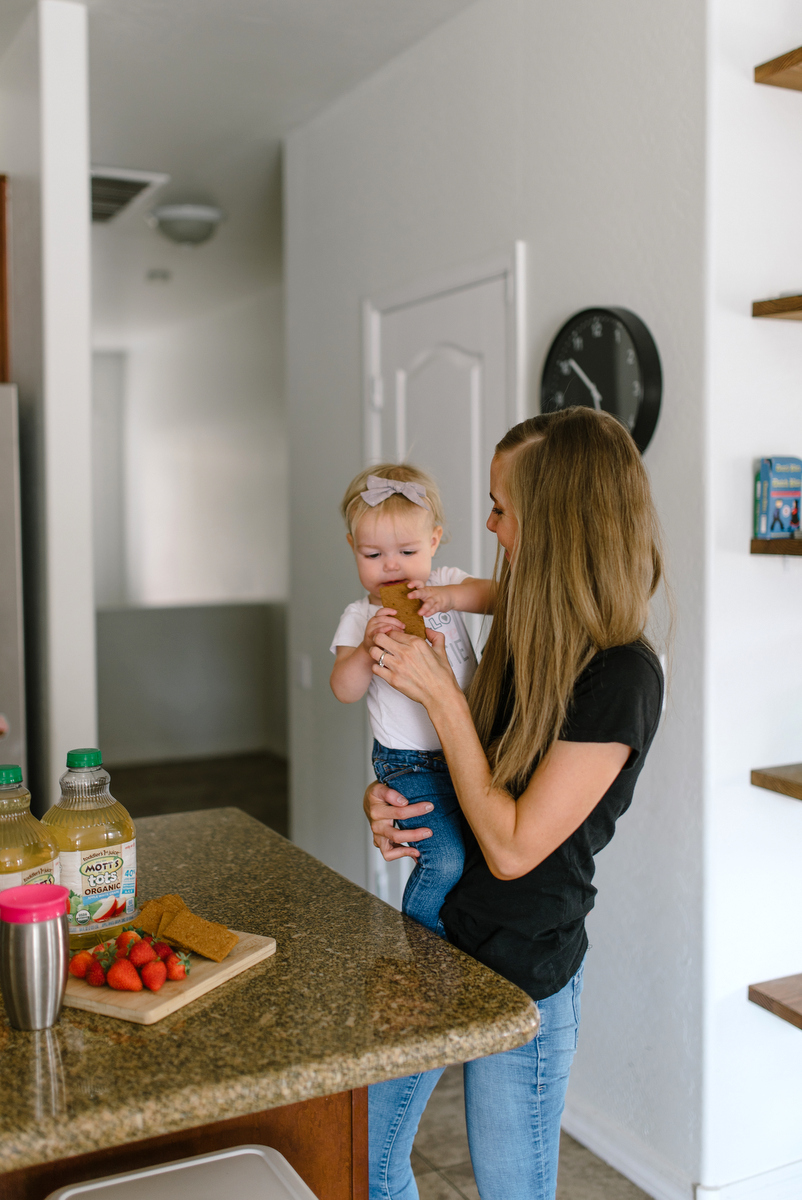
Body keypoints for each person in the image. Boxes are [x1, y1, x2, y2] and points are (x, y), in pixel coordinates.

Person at [363, 408, 666, 1200]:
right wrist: (394, 798)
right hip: (441, 938)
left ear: (559, 522)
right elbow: (468, 783)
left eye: (503, 507)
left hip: (524, 974)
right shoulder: (524, 626)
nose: (490, 524)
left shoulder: (622, 676)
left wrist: (443, 702)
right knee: (366, 1160)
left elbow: (512, 846)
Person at [330, 464, 493, 934]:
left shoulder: (445, 582)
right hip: (408, 765)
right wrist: (365, 649)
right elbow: (344, 689)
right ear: (352, 549)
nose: (392, 565)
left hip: (471, 750)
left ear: (435, 541)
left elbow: (503, 596)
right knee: (443, 862)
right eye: (373, 553)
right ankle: (421, 943)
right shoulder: (359, 614)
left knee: (476, 859)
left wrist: (450, 596)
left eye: (407, 550)